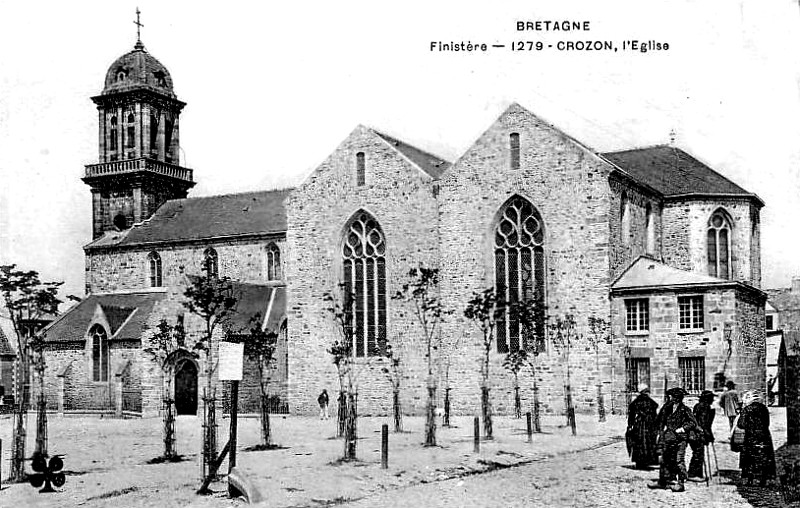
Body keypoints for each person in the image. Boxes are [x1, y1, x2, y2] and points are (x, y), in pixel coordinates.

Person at [649, 387, 699, 493]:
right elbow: (660, 421)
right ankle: (663, 482)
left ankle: (681, 483)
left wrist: (683, 428)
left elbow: (693, 423)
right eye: (670, 396)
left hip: (681, 439)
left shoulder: (685, 409)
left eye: (672, 396)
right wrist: (659, 433)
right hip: (669, 437)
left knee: (678, 460)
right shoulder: (667, 408)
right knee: (665, 459)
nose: (670, 398)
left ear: (677, 398)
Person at [737, 390, 776, 486]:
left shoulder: (746, 409)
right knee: (764, 456)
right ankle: (763, 480)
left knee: (749, 457)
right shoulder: (764, 409)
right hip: (764, 435)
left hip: (751, 436)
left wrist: (748, 426)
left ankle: (750, 480)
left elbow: (740, 424)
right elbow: (767, 423)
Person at [626, 383, 659, 469]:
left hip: (639, 425)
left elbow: (631, 416)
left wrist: (630, 425)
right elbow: (655, 416)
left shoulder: (636, 402)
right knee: (649, 442)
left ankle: (640, 462)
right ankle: (649, 461)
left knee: (639, 443)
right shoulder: (651, 402)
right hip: (649, 425)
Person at [688, 390, 716, 481]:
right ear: (708, 399)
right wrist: (708, 435)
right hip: (698, 434)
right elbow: (703, 423)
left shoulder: (698, 405)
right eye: (712, 398)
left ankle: (696, 474)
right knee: (698, 454)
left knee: (698, 453)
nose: (713, 400)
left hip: (695, 433)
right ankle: (693, 475)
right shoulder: (705, 407)